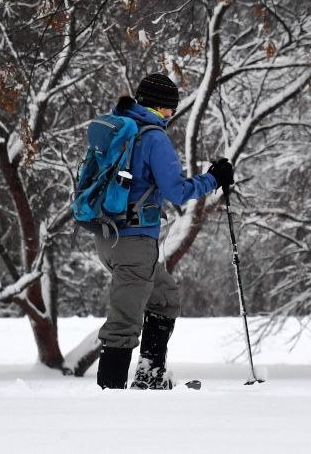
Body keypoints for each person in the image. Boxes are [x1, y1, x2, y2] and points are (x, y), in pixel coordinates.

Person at [94, 73, 234, 390]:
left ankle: (150, 375)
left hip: (109, 237)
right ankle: (108, 398)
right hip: (133, 240)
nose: (172, 115)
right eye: (171, 108)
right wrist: (213, 178)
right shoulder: (153, 137)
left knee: (165, 298)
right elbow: (177, 191)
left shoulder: (119, 130)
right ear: (162, 107)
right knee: (123, 323)